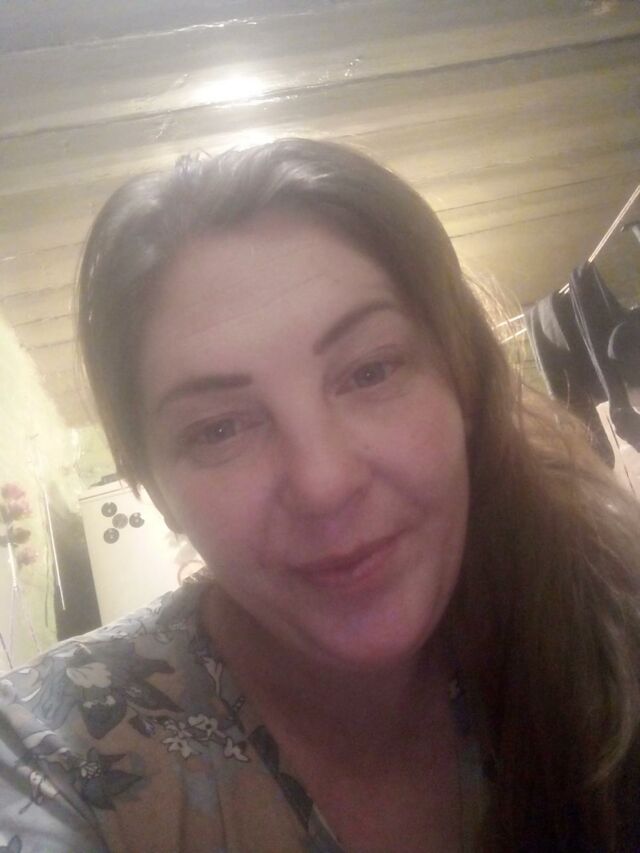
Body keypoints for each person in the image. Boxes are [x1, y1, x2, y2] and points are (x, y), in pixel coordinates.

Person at [1, 138, 640, 853]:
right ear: (156, 488)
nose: (324, 484)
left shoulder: (611, 619)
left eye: (370, 371)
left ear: (463, 385)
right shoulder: (50, 754)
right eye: (219, 428)